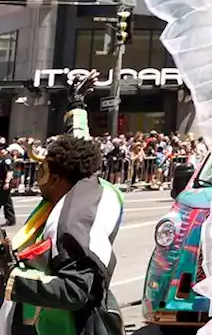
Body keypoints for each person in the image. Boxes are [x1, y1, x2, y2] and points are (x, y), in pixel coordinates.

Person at [0, 73, 124, 335]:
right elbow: (79, 141)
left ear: (57, 177)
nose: (38, 180)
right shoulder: (84, 177)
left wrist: (9, 274)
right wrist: (77, 104)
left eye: (42, 173)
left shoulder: (72, 223)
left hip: (66, 325)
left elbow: (74, 290)